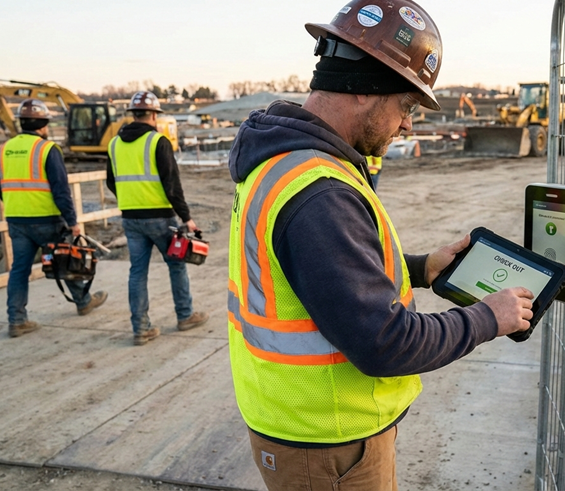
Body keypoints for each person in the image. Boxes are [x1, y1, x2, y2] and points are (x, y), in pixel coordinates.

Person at [226, 1, 535, 489]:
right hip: (328, 441)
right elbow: (384, 344)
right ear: (365, 91)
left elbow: (318, 274)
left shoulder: (287, 160)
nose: (409, 124)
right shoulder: (319, 190)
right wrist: (487, 318)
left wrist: (420, 268)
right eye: (407, 105)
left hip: (306, 426)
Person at [0, 99, 108, 337]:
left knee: (19, 270)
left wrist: (18, 207)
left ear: (21, 122)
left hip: (17, 219)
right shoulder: (47, 149)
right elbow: (61, 190)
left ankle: (16, 320)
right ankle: (83, 301)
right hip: (47, 218)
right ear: (43, 124)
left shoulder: (1, 151)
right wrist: (73, 221)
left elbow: (0, 190)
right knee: (64, 260)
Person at [106, 91, 209, 346]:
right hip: (161, 218)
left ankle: (140, 329)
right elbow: (172, 185)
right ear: (154, 114)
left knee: (137, 272)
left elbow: (111, 181)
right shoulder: (157, 142)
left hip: (130, 218)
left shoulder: (114, 144)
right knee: (176, 265)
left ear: (133, 114)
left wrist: (131, 199)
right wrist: (187, 218)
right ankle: (185, 316)